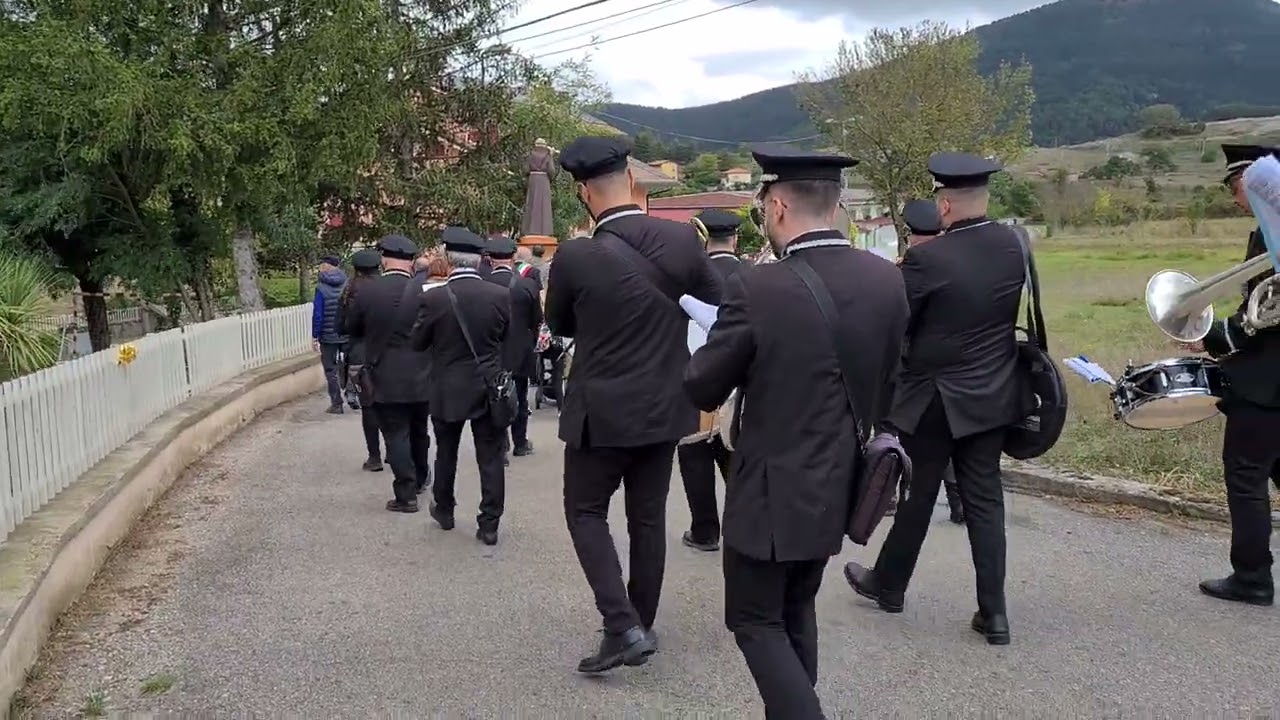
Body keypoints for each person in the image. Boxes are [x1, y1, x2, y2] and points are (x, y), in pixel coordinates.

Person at [683, 144, 908, 719]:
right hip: (843, 479)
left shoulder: (758, 289)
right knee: (796, 606)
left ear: (777, 206)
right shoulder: (887, 280)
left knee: (754, 620)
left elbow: (703, 387)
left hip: (769, 488)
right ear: (834, 205)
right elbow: (891, 380)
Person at [546, 134, 722, 673]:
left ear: (582, 192)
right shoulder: (682, 242)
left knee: (585, 511)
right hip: (666, 406)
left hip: (601, 410)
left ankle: (621, 625)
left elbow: (559, 325)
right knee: (647, 518)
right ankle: (639, 620)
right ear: (631, 179)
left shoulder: (576, 253)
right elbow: (718, 303)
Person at [844, 152, 1026, 646]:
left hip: (938, 401)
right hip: (994, 395)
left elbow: (898, 321)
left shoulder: (928, 259)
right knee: (986, 501)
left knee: (919, 494)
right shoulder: (1015, 246)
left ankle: (889, 584)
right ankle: (995, 614)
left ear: (944, 206)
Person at [1195, 143, 1280, 606]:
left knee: (1245, 476)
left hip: (1267, 387)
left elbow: (1264, 318)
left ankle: (1252, 578)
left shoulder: (1275, 235)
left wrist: (1212, 338)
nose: (1234, 197)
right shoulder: (1269, 230)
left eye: (1236, 187)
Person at [412, 228, 512, 546]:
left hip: (447, 386)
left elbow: (417, 343)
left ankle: (444, 509)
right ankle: (489, 523)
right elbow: (506, 338)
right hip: (488, 386)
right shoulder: (499, 295)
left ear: (448, 259)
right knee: (491, 457)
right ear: (478, 259)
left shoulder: (433, 298)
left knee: (446, 452)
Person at [345, 234, 432, 513]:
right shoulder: (425, 290)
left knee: (395, 434)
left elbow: (351, 328)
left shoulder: (367, 291)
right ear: (410, 260)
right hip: (423, 372)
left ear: (384, 259)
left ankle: (406, 495)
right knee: (420, 430)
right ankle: (420, 478)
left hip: (385, 372)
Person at [676, 208, 746, 552]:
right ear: (734, 239)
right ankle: (741, 530)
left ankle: (705, 531)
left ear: (703, 241)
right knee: (738, 457)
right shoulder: (754, 275)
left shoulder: (686, 277)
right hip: (740, 381)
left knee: (694, 455)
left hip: (695, 373)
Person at [902, 198, 965, 525]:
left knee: (914, 436)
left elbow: (902, 317)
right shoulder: (962, 259)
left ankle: (900, 496)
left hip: (920, 369)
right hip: (964, 367)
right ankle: (958, 500)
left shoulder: (914, 262)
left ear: (911, 234)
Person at [485, 235, 543, 459]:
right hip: (520, 350)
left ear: (490, 259)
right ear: (512, 259)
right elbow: (537, 319)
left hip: (491, 350)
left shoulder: (483, 284)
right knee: (519, 396)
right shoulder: (527, 285)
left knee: (493, 397)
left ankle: (500, 446)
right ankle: (520, 442)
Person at [336, 248, 386, 471]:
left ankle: (374, 456)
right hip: (386, 353)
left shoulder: (349, 292)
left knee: (369, 406)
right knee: (390, 405)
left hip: (359, 355)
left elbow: (341, 327)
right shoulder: (390, 289)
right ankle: (395, 451)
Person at [312, 255, 349, 414]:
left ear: (326, 266)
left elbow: (318, 314)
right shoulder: (347, 283)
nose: (320, 267)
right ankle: (353, 394)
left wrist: (315, 335)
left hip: (328, 335)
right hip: (346, 331)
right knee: (350, 364)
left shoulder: (320, 287)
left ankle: (336, 403)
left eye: (321, 264)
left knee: (330, 369)